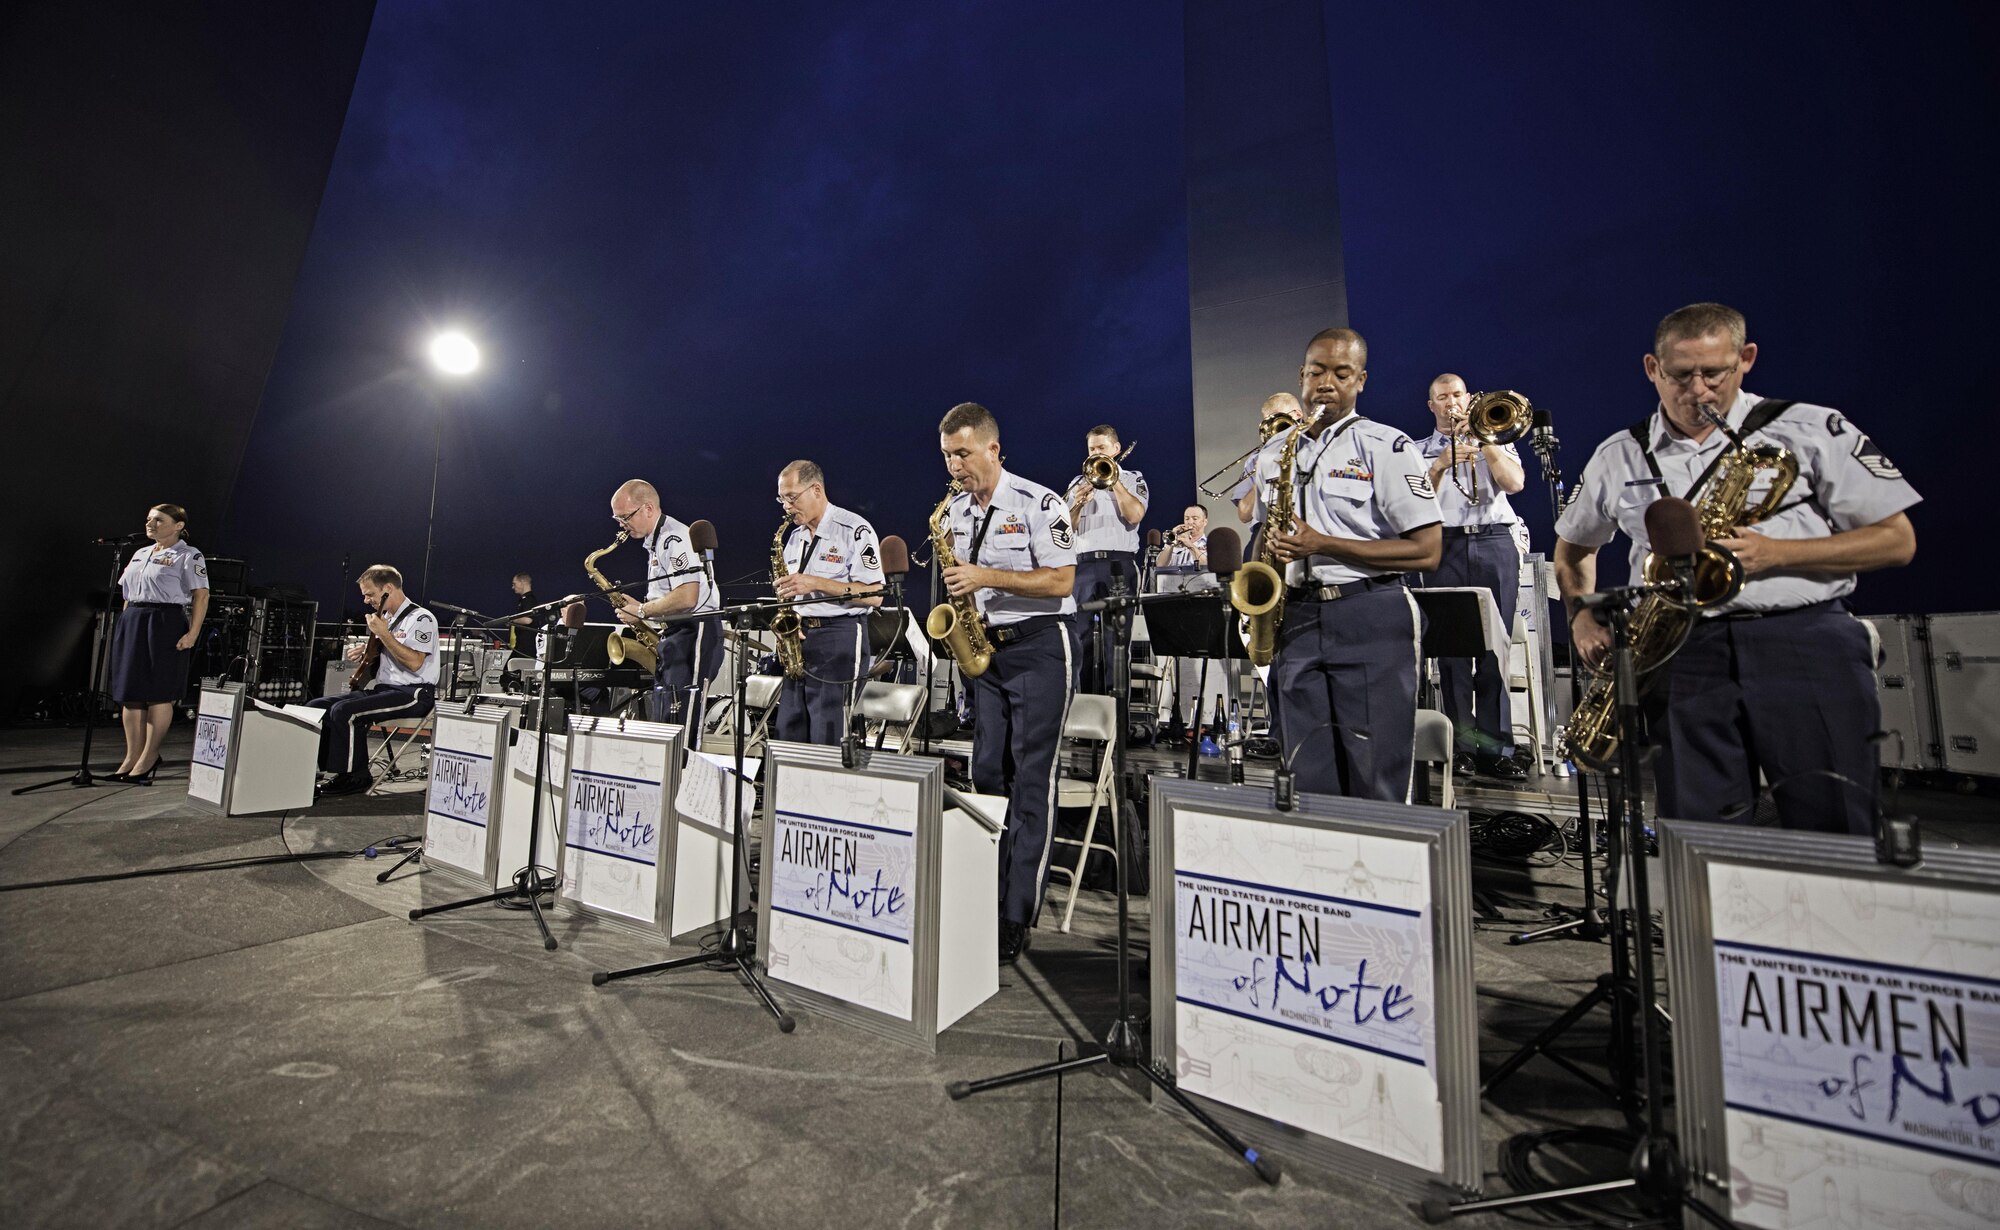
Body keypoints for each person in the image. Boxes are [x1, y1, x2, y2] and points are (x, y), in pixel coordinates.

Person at [1554, 302, 1919, 835]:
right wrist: (1581, 617)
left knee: (1834, 821)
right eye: (1680, 375)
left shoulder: (1811, 428)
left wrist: (1779, 554)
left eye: (1713, 373)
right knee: (1700, 832)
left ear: (1745, 360)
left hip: (1803, 641)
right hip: (1680, 649)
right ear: (1652, 369)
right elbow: (1573, 547)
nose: (1698, 390)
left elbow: (1897, 541)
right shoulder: (1619, 455)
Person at [1257, 328, 1442, 801]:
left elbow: (1426, 550)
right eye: (1317, 371)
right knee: (1307, 779)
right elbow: (1267, 533)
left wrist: (1322, 544)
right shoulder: (1273, 454)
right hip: (1296, 617)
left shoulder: (1388, 446)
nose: (1326, 382)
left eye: (1341, 373)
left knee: (1376, 777)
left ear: (1360, 381)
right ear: (1302, 376)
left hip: (1370, 614)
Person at [938, 402, 1077, 963]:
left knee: (1031, 780)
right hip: (988, 651)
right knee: (987, 772)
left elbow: (1062, 579)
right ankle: (983, 897)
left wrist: (986, 576)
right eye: (948, 456)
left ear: (993, 448)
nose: (954, 467)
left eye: (963, 454)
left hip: (1042, 647)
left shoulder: (1043, 503)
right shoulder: (953, 512)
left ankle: (1015, 913)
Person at [1416, 373, 1529, 782]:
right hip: (1444, 544)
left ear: (1468, 398)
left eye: (1457, 395)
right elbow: (1412, 502)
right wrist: (1441, 464)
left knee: (1495, 649)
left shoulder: (1495, 437)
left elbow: (1515, 483)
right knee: (1453, 654)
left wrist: (1484, 442)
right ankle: (1460, 746)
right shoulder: (1418, 450)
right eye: (1442, 397)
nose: (1451, 402)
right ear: (1431, 405)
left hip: (1494, 539)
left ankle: (1497, 747)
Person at [772, 460, 885, 745]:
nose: (786, 506)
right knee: (789, 733)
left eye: (792, 497)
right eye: (782, 498)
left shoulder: (854, 529)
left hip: (839, 637)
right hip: (799, 639)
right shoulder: (794, 538)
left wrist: (816, 583)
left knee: (828, 735)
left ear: (816, 490)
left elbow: (874, 594)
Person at [307, 565, 438, 796]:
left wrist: (384, 635)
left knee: (345, 711)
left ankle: (355, 776)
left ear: (388, 588)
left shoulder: (421, 618)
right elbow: (389, 652)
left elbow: (415, 662)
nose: (367, 600)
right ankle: (323, 770)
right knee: (314, 707)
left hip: (413, 693)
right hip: (384, 688)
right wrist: (369, 650)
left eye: (370, 594)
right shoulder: (386, 618)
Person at [106, 503, 209, 783]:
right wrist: (127, 624)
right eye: (149, 519)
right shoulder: (140, 554)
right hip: (134, 620)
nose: (150, 524)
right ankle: (131, 757)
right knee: (131, 692)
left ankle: (149, 756)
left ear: (178, 525)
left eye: (159, 520)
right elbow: (127, 593)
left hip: (165, 621)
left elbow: (201, 595)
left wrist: (193, 633)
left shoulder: (188, 554)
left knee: (158, 691)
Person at [606, 480, 722, 725]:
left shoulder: (675, 538)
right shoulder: (657, 541)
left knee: (682, 721)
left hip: (693, 632)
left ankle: (683, 763)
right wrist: (644, 607)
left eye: (625, 517)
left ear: (648, 508)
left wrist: (641, 610)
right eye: (617, 520)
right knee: (667, 720)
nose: (622, 526)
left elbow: (688, 596)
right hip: (677, 634)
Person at [1066, 424, 1147, 693]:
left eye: (1101, 448)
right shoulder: (1077, 484)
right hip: (1084, 565)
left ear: (1116, 449)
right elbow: (1067, 529)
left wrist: (1115, 484)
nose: (1096, 453)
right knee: (1081, 641)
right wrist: (1077, 503)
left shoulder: (1133, 479)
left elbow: (1134, 515)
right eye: (1092, 449)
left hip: (1118, 565)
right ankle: (1084, 718)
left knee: (1117, 644)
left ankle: (1116, 722)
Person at [1236, 393, 1304, 523]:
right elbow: (1244, 516)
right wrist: (1259, 477)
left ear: (1298, 415)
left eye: (1279, 419)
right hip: (1266, 528)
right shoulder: (1256, 459)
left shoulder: (1314, 449)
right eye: (1269, 422)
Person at [1155, 503, 1210, 569]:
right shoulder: (1175, 541)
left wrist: (1189, 544)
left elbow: (1206, 565)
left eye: (1195, 519)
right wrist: (1171, 539)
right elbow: (1160, 565)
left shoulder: (1210, 544)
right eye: (1187, 519)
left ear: (1205, 522)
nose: (1190, 522)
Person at [508, 572, 536, 650]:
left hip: (526, 644)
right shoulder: (523, 600)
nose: (513, 587)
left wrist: (511, 619)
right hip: (521, 642)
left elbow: (528, 620)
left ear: (522, 582)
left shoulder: (529, 600)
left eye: (514, 584)